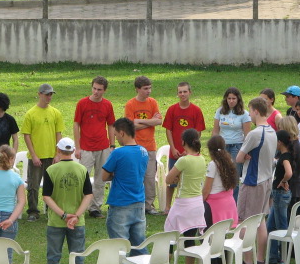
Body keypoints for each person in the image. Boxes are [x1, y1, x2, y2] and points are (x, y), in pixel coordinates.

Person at [40, 138, 93, 264]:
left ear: (58, 150)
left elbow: (46, 196)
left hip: (56, 222)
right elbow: (88, 195)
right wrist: (76, 215)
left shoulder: (51, 170)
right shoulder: (82, 169)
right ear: (73, 151)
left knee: (54, 258)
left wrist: (63, 215)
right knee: (78, 257)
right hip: (78, 222)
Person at [101, 117, 149, 264]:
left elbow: (104, 176)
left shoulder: (118, 153)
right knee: (139, 244)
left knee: (118, 248)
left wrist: (116, 174)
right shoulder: (144, 151)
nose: (116, 139)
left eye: (115, 135)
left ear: (121, 132)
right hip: (139, 203)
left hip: (120, 205)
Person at [235, 97, 277, 264]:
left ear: (256, 111)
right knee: (260, 221)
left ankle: (248, 261)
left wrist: (245, 156)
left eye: (250, 111)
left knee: (244, 221)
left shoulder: (255, 133)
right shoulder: (272, 131)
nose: (249, 114)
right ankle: (260, 259)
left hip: (252, 182)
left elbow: (238, 157)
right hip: (267, 180)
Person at [161, 129, 207, 264]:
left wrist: (178, 173)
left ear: (183, 142)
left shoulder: (183, 161)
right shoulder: (202, 159)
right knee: (190, 240)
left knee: (169, 238)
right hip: (197, 204)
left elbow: (168, 179)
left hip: (183, 204)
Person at [21, 83, 65, 222]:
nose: (49, 97)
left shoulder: (55, 113)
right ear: (39, 94)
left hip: (52, 156)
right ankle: (33, 211)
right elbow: (27, 135)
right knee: (33, 185)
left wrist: (58, 154)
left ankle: (52, 210)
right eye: (47, 94)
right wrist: (33, 155)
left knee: (52, 185)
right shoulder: (31, 114)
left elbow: (59, 134)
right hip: (37, 156)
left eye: (51, 94)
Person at [73, 76, 116, 219]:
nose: (96, 92)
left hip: (103, 146)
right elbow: (76, 124)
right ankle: (79, 206)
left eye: (99, 90)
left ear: (104, 91)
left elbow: (111, 125)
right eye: (94, 88)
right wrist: (77, 147)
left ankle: (95, 208)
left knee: (100, 179)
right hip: (86, 147)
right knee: (83, 178)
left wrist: (112, 145)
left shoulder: (107, 105)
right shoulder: (82, 103)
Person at [163, 82, 206, 214]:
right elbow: (168, 130)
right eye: (180, 92)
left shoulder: (196, 110)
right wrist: (173, 148)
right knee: (171, 182)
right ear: (177, 94)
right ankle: (167, 207)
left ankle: (187, 204)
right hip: (174, 152)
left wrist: (188, 150)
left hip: (189, 152)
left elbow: (198, 132)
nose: (182, 94)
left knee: (188, 180)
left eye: (185, 91)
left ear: (190, 92)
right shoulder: (172, 109)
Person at [124, 76, 162, 215]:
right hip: (135, 146)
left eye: (150, 88)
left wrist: (139, 121)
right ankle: (135, 204)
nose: (149, 91)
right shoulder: (130, 105)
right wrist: (150, 121)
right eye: (145, 89)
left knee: (150, 177)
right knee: (135, 176)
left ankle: (149, 205)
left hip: (150, 146)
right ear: (137, 89)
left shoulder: (153, 103)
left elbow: (159, 122)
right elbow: (130, 126)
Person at [212, 87, 251, 203]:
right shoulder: (220, 111)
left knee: (234, 175)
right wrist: (214, 146)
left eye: (234, 98)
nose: (231, 101)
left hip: (237, 146)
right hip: (223, 146)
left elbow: (247, 134)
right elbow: (215, 130)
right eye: (229, 98)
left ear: (238, 99)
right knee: (221, 172)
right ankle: (222, 200)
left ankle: (234, 202)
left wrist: (246, 150)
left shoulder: (244, 114)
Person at [266, 130, 294, 264]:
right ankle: (272, 257)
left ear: (280, 142)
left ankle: (285, 256)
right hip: (278, 194)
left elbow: (289, 172)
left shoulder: (285, 157)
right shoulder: (286, 155)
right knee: (270, 226)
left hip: (279, 194)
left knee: (281, 226)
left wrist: (283, 181)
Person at [202, 135, 239, 227]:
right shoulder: (229, 160)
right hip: (228, 201)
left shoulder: (213, 164)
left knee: (207, 234)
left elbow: (207, 189)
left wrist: (200, 203)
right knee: (222, 233)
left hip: (214, 204)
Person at [277, 116, 300, 209]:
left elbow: (289, 170)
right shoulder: (296, 143)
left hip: (291, 185)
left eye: (280, 128)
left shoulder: (291, 147)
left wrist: (284, 180)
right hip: (296, 184)